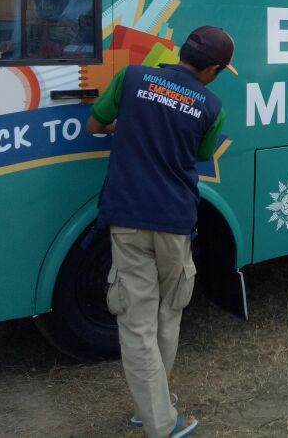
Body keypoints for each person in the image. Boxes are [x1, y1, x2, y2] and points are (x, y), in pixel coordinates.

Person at [87, 26, 237, 438]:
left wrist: (122, 127)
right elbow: (201, 154)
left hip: (128, 219)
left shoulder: (132, 78)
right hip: (175, 222)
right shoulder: (212, 105)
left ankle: (148, 406)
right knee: (168, 313)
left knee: (137, 323)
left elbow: (94, 126)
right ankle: (159, 422)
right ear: (211, 70)